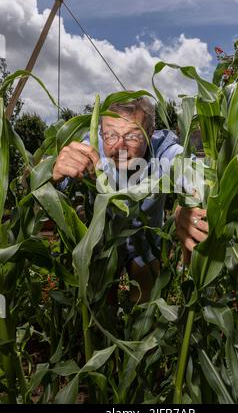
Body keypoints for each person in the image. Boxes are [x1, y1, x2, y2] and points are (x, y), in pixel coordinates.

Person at [52, 96, 208, 302]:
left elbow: (196, 174)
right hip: (102, 245)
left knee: (145, 307)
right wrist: (54, 173)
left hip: (145, 245)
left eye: (132, 136)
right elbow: (50, 182)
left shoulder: (163, 150)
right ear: (100, 132)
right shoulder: (90, 149)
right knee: (101, 309)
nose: (119, 147)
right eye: (110, 135)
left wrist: (188, 203)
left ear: (150, 133)